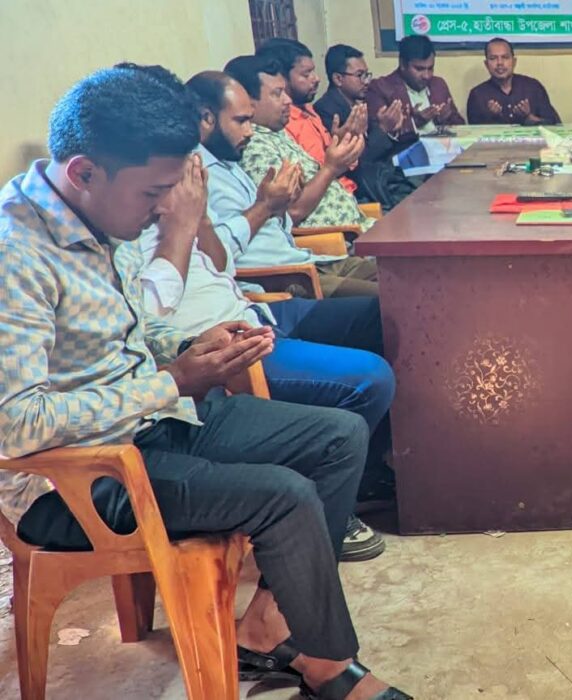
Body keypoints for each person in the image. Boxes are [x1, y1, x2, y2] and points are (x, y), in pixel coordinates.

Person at [0, 64, 411, 700]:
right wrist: (171, 380)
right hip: (79, 480)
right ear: (83, 173)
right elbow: (15, 425)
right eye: (154, 192)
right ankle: (328, 669)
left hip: (150, 425)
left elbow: (128, 328)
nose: (165, 208)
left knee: (339, 436)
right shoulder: (16, 256)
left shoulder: (101, 216)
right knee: (284, 495)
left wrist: (194, 348)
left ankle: (268, 625)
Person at [111, 68, 399, 561]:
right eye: (240, 119)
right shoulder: (123, 203)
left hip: (250, 307)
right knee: (369, 377)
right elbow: (146, 310)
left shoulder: (201, 169)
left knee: (389, 315)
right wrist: (186, 225)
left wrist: (199, 218)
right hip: (219, 339)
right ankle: (338, 497)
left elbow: (217, 261)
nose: (249, 129)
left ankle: (369, 471)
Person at [221, 54, 379, 297]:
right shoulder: (253, 147)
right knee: (398, 293)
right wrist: (331, 168)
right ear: (248, 102)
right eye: (277, 94)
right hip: (334, 243)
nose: (287, 101)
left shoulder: (277, 134)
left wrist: (340, 148)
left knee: (416, 272)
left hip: (326, 253)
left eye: (285, 92)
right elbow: (292, 211)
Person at [315, 44, 418, 209]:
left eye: (367, 75)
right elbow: (359, 162)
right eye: (360, 75)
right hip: (359, 190)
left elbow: (377, 148)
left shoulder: (359, 103)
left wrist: (391, 130)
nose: (367, 81)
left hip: (382, 178)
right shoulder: (326, 110)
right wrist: (383, 129)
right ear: (338, 79)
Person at [257, 37, 364, 196]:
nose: (316, 79)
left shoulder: (309, 109)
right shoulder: (282, 123)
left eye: (313, 71)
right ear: (281, 78)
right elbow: (310, 177)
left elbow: (338, 164)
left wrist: (343, 142)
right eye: (306, 74)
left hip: (348, 192)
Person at [366, 34, 464, 150]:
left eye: (430, 68)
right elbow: (378, 139)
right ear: (403, 64)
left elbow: (462, 128)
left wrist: (446, 119)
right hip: (403, 156)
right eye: (419, 69)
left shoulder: (438, 85)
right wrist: (415, 122)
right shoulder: (380, 88)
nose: (427, 76)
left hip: (444, 152)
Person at [466, 37, 561, 125]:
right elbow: (473, 132)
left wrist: (529, 118)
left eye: (505, 57)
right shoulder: (477, 95)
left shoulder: (533, 87)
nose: (500, 63)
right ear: (486, 64)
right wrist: (492, 118)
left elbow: (555, 125)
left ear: (514, 62)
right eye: (493, 58)